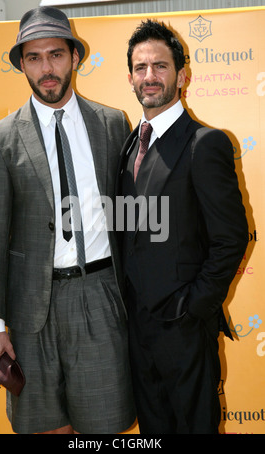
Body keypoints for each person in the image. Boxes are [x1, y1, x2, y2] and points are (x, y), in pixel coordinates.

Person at [0, 6, 135, 434]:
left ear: (74, 57)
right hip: (30, 310)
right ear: (22, 65)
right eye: (34, 58)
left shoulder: (113, 124)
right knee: (45, 428)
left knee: (104, 427)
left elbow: (132, 220)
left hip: (100, 298)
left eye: (56, 55)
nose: (47, 68)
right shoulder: (2, 137)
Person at [117, 19, 248, 434]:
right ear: (130, 77)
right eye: (141, 68)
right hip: (136, 333)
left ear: (182, 75)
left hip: (185, 332)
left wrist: (192, 309)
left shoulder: (205, 143)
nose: (149, 76)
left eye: (160, 66)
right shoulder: (128, 143)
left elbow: (231, 239)